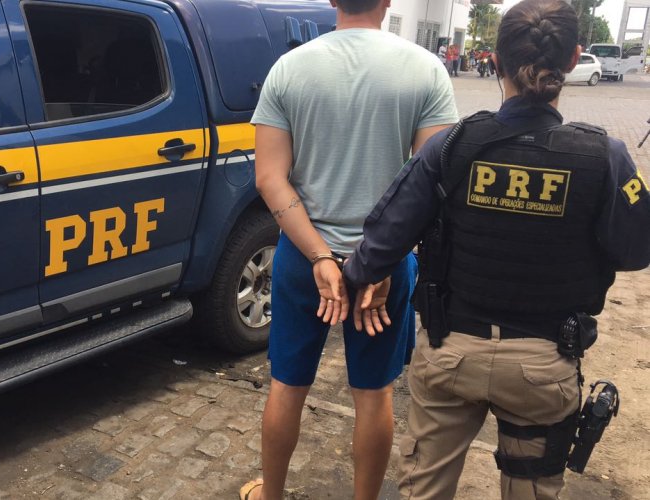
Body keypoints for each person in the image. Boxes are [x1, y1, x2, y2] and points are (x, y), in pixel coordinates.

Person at [341, 0, 650, 499]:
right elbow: (637, 250)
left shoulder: (451, 145)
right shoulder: (604, 157)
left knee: (423, 490)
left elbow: (381, 244)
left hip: (451, 353)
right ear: (574, 59)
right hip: (544, 365)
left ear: (496, 61)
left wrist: (345, 274)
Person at [237, 0, 458, 498]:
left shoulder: (289, 69)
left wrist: (320, 255)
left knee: (287, 385)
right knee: (374, 393)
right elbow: (431, 188)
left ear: (333, 0)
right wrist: (382, 260)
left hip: (303, 256)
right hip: (384, 261)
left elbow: (270, 178)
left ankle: (271, 494)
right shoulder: (426, 71)